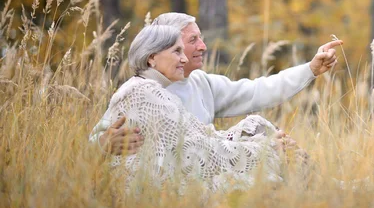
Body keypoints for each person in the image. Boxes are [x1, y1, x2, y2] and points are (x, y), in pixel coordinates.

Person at [90, 12, 342, 155]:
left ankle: (326, 186)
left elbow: (258, 91)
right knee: (266, 141)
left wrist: (311, 69)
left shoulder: (201, 83)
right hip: (174, 187)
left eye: (201, 38)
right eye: (192, 40)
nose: (202, 46)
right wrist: (103, 144)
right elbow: (94, 143)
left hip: (206, 171)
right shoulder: (138, 91)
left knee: (263, 131)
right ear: (159, 50)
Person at [107, 25, 286, 191]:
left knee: (257, 127)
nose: (184, 59)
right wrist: (264, 149)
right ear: (152, 57)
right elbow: (197, 151)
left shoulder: (148, 89)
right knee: (260, 177)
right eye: (177, 52)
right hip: (152, 191)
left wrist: (257, 140)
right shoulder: (144, 93)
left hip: (161, 182)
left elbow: (200, 135)